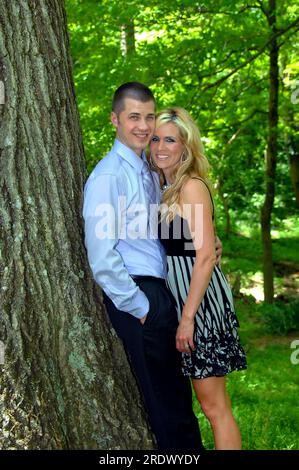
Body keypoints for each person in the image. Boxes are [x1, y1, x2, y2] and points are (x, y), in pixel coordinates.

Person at [83, 82, 205, 450]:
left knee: (175, 403)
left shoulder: (148, 172)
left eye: (149, 116)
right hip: (139, 296)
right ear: (115, 119)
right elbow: (102, 255)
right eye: (134, 116)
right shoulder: (109, 177)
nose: (143, 125)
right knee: (166, 407)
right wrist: (140, 307)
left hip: (160, 292)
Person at [150, 107, 247, 450]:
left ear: (186, 146)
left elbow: (205, 255)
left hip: (200, 302)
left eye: (170, 140)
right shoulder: (165, 187)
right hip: (181, 299)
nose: (161, 146)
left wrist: (188, 318)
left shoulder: (190, 186)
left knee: (213, 405)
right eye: (156, 138)